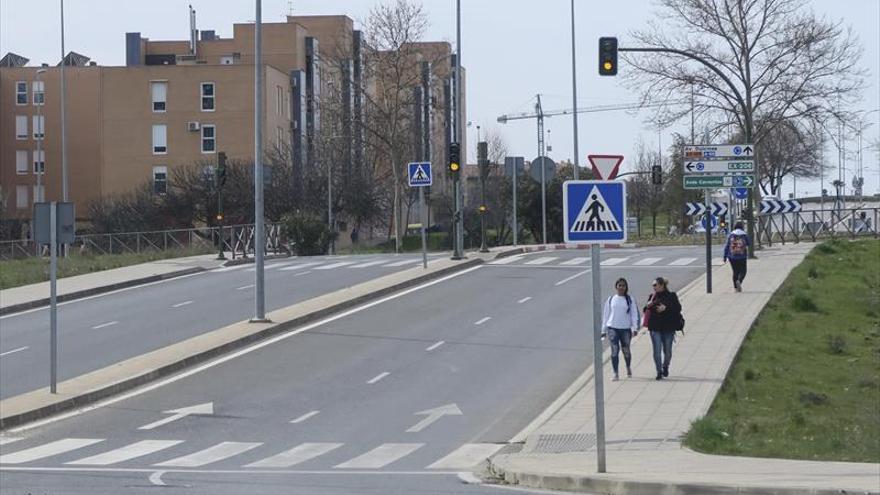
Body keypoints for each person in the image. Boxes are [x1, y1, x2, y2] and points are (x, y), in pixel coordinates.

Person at [602, 278, 641, 381]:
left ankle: (628, 366)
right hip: (612, 328)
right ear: (616, 287)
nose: (621, 287)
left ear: (626, 287)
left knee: (626, 350)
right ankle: (615, 373)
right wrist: (603, 330)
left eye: (623, 285)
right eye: (619, 285)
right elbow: (606, 315)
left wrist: (635, 328)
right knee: (614, 350)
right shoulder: (611, 299)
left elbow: (634, 314)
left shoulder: (630, 300)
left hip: (625, 329)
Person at [643, 277, 682, 380]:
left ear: (662, 285)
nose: (653, 287)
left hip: (668, 328)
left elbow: (678, 308)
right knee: (657, 350)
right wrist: (648, 305)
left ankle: (665, 366)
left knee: (667, 351)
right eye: (653, 285)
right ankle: (659, 371)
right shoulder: (652, 296)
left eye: (655, 285)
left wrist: (666, 308)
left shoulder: (671, 296)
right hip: (655, 327)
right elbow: (645, 310)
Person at [723, 221, 751, 292]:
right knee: (743, 270)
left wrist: (724, 256)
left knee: (735, 271)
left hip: (732, 256)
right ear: (742, 227)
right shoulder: (744, 235)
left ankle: (735, 288)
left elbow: (727, 246)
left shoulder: (731, 234)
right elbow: (749, 243)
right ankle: (739, 280)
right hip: (742, 256)